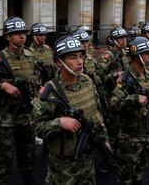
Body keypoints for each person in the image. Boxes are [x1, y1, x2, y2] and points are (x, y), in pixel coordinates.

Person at [32, 36, 109, 184]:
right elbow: (35, 126)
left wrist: (104, 139)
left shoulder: (87, 82)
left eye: (81, 56)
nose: (80, 62)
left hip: (88, 158)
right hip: (63, 166)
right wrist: (59, 122)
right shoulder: (50, 91)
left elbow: (97, 113)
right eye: (73, 57)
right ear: (59, 62)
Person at [0, 16, 39, 185]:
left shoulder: (31, 57)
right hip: (6, 119)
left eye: (23, 33)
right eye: (16, 33)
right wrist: (3, 87)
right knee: (4, 158)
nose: (22, 36)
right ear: (7, 36)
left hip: (27, 117)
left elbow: (37, 83)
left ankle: (28, 179)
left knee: (28, 154)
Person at [110, 36, 149, 184]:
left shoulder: (147, 74)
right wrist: (134, 99)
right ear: (137, 56)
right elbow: (114, 104)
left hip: (145, 133)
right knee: (126, 175)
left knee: (141, 169)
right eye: (147, 54)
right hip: (130, 137)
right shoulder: (126, 78)